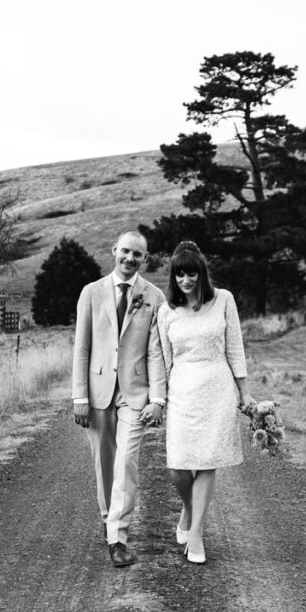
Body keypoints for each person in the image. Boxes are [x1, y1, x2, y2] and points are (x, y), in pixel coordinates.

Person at [72, 230, 167, 567]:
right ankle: (107, 517)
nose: (130, 259)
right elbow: (81, 347)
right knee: (104, 462)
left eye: (138, 255)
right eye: (125, 251)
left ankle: (118, 537)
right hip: (97, 392)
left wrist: (158, 398)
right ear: (114, 250)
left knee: (126, 459)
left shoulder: (154, 296)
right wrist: (79, 396)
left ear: (146, 259)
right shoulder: (91, 292)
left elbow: (157, 353)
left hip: (135, 393)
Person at [156, 241, 256, 564]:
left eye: (192, 273)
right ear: (174, 277)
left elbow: (235, 348)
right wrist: (161, 398)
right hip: (182, 391)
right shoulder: (166, 311)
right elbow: (164, 360)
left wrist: (245, 392)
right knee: (178, 467)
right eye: (180, 274)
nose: (186, 280)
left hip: (218, 389)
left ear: (202, 273)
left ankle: (196, 533)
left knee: (207, 460)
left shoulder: (224, 300)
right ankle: (189, 508)